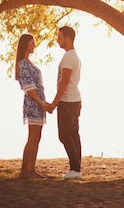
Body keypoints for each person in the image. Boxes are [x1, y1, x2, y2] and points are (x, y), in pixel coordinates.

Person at [47, 26, 82, 180]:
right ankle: (76, 169)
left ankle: (75, 169)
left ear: (68, 39)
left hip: (68, 101)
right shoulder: (74, 56)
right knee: (73, 135)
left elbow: (65, 81)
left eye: (60, 37)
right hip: (74, 100)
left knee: (65, 135)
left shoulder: (69, 57)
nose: (57, 40)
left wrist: (55, 102)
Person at [15, 33, 49, 180]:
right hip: (33, 103)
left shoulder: (28, 62)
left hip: (39, 102)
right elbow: (29, 87)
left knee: (37, 136)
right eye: (32, 42)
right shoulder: (22, 63)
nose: (34, 45)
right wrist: (40, 102)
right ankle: (24, 170)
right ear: (26, 44)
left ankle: (31, 168)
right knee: (32, 136)